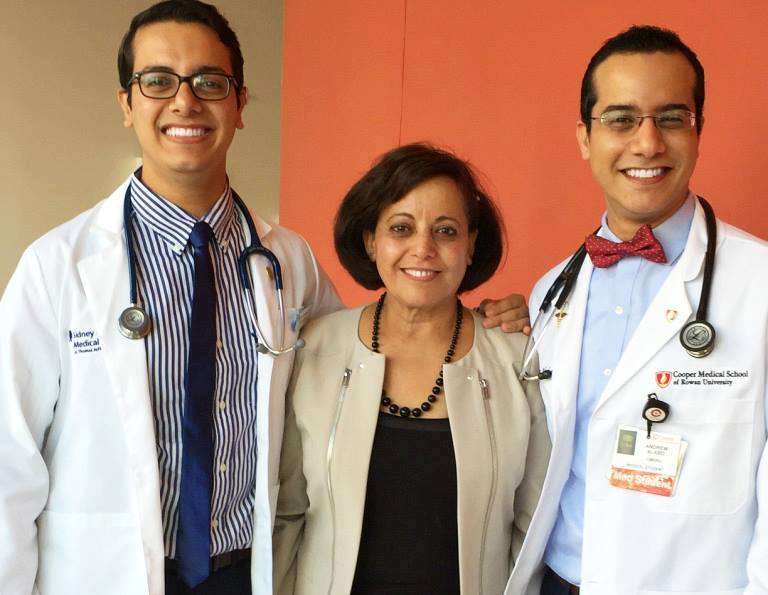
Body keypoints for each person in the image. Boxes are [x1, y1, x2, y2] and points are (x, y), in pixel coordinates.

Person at [0, 3, 529, 594]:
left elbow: (359, 360)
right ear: (127, 104)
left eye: (209, 82)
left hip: (246, 570)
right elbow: (9, 462)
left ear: (240, 104)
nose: (184, 102)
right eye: (157, 81)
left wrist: (489, 322)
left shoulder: (289, 261)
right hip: (104, 573)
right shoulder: (57, 267)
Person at [504, 25, 768, 594]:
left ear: (699, 131)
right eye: (620, 119)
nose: (647, 143)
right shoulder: (553, 291)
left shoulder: (761, 285)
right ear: (584, 137)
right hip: (558, 581)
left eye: (671, 118)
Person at [273, 143, 550, 595]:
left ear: (471, 244)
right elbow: (287, 514)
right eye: (401, 228)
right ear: (371, 240)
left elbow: (533, 523)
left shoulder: (517, 360)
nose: (423, 249)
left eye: (445, 231)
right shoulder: (313, 349)